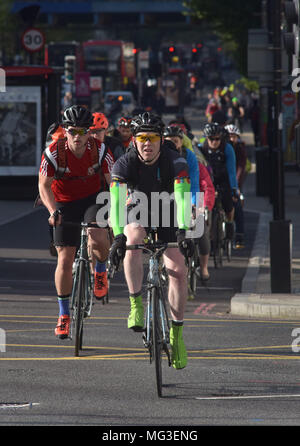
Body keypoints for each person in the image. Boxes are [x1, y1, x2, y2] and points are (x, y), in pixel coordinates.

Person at [108, 112, 194, 369]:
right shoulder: (123, 164)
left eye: (153, 138)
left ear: (160, 140)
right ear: (134, 140)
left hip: (168, 210)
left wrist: (183, 231)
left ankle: (176, 336)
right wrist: (118, 237)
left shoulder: (176, 161)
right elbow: (115, 204)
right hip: (139, 208)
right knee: (133, 239)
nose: (147, 143)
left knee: (178, 270)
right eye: (142, 138)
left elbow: (182, 198)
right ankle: (135, 304)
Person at [38, 105, 114, 339]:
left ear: (89, 132)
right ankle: (63, 316)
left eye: (83, 131)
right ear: (65, 130)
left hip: (93, 199)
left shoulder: (100, 150)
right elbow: (43, 185)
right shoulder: (53, 151)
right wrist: (52, 211)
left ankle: (100, 270)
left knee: (97, 236)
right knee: (65, 256)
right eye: (73, 131)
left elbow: (114, 183)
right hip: (63, 202)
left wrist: (114, 211)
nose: (78, 137)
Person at [164, 125, 215, 283]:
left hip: (191, 194)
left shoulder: (190, 157)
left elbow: (193, 184)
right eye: (169, 141)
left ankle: (204, 267)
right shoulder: (162, 156)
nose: (173, 144)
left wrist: (194, 205)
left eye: (176, 141)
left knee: (200, 229)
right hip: (169, 196)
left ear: (181, 142)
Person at [199, 123, 239, 240]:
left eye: (217, 139)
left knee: (228, 202)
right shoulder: (202, 148)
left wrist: (234, 189)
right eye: (211, 139)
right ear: (207, 138)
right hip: (208, 179)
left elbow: (232, 171)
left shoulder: (227, 148)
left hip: (223, 178)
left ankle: (230, 223)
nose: (215, 142)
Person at [224, 124, 247, 248]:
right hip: (221, 181)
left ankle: (239, 237)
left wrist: (236, 186)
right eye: (229, 136)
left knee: (237, 205)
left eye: (234, 136)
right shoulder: (222, 147)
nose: (232, 139)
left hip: (235, 182)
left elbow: (240, 167)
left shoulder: (240, 149)